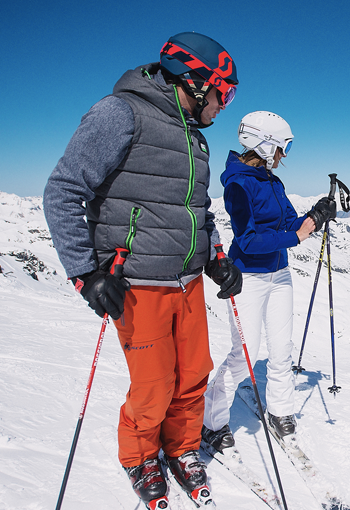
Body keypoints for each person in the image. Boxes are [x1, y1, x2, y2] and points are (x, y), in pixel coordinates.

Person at [43, 32, 242, 507]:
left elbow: (198, 209)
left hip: (187, 278)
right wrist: (86, 272)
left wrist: (216, 255)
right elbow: (63, 191)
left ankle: (181, 447)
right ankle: (139, 455)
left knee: (194, 373)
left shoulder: (195, 140)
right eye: (224, 92)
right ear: (194, 83)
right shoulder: (120, 114)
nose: (224, 105)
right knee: (154, 384)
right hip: (137, 282)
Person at [201, 111, 336, 452]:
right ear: (264, 144)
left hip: (280, 274)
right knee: (243, 356)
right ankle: (211, 421)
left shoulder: (273, 181)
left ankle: (280, 411)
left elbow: (291, 222)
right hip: (248, 277)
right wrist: (299, 238)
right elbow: (247, 241)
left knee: (281, 350)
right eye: (282, 146)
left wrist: (316, 216)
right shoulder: (238, 184)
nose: (284, 155)